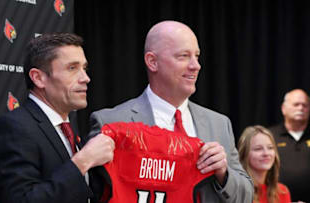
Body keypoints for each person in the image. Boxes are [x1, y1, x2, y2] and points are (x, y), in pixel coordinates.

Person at [88, 20, 253, 202]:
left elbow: (246, 195)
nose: (195, 65)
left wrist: (224, 173)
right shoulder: (111, 123)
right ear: (152, 62)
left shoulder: (219, 124)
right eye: (183, 56)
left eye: (197, 56)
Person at [0, 33, 115, 203]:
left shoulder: (66, 128)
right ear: (39, 78)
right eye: (72, 68)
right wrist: (83, 161)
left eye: (84, 68)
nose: (85, 78)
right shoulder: (14, 128)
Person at [268, 89, 310, 202]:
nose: (301, 108)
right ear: (283, 108)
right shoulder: (270, 136)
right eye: (296, 104)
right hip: (277, 200)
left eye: (305, 105)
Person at [238, 125, 291, 203]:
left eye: (270, 148)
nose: (266, 153)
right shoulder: (237, 191)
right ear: (244, 154)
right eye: (258, 149)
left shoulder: (282, 191)